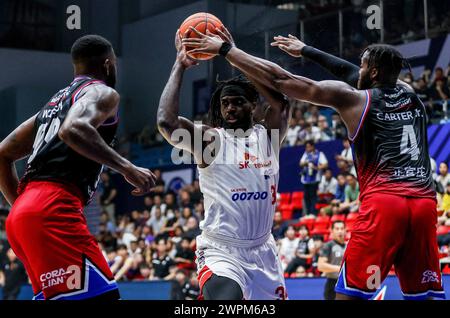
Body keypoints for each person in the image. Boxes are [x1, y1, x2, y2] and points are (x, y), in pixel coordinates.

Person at [184, 27, 445, 299]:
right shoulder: (412, 95)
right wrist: (306, 50)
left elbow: (281, 80)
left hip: (385, 202)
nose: (358, 69)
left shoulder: (354, 99)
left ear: (374, 73)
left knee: (349, 294)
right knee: (423, 294)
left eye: (363, 65)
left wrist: (228, 51)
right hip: (424, 203)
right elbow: (352, 74)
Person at [0, 35, 156, 300]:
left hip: (25, 215)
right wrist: (128, 168)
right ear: (108, 64)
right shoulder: (101, 92)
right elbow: (72, 129)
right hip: (52, 207)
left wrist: (24, 208)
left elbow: (2, 153)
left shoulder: (51, 105)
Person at [157, 31, 290, 300]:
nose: (229, 108)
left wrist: (232, 53)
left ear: (254, 105)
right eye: (225, 103)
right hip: (222, 250)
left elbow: (281, 101)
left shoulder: (269, 136)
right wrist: (179, 64)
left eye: (237, 102)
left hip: (263, 250)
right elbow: (167, 122)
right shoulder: (211, 140)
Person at [318, 221, 346, 300]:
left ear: (345, 230)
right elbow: (321, 266)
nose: (340, 231)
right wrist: (340, 268)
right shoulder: (328, 246)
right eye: (337, 229)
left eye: (342, 228)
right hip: (332, 284)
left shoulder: (349, 246)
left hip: (347, 285)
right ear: (332, 231)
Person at [299, 141, 328, 215]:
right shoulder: (305, 154)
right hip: (306, 180)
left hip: (315, 180)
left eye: (308, 147)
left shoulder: (319, 154)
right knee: (306, 197)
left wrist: (316, 167)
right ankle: (307, 214)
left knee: (313, 197)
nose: (307, 148)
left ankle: (313, 213)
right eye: (306, 147)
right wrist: (306, 163)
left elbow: (325, 164)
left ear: (313, 146)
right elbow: (301, 163)